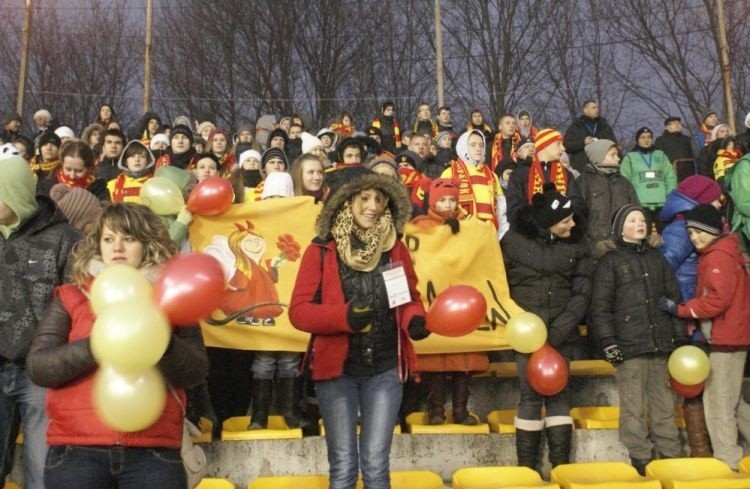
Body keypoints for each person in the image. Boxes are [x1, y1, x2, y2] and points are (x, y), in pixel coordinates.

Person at [26, 203, 209, 489]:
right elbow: (40, 367)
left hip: (153, 452)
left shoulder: (173, 297)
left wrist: (156, 341)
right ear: (97, 245)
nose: (118, 247)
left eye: (129, 238)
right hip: (77, 453)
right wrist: (99, 344)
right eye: (109, 239)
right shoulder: (71, 295)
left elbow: (197, 370)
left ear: (148, 244)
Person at [289, 169, 429, 489]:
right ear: (344, 202)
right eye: (364, 198)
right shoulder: (320, 251)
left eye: (379, 199)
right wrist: (344, 318)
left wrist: (414, 320)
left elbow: (407, 300)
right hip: (337, 374)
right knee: (343, 467)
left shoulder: (394, 248)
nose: (373, 206)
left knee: (377, 466)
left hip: (384, 370)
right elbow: (299, 313)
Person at [0, 153, 80, 489]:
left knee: (42, 474)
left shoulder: (64, 237)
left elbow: (77, 303)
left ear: (15, 192)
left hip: (41, 374)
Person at [589, 204, 684, 475]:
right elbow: (601, 308)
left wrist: (677, 338)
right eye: (632, 220)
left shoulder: (658, 259)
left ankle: (670, 454)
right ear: (620, 227)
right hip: (628, 347)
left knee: (664, 404)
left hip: (661, 343)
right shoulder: (610, 262)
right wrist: (609, 344)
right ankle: (641, 458)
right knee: (633, 406)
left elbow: (674, 299)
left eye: (642, 220)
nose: (639, 224)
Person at [501, 183, 591, 472]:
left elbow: (582, 292)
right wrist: (523, 324)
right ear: (551, 222)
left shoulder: (577, 246)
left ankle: (560, 467)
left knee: (559, 395)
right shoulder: (512, 242)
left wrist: (560, 328)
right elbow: (500, 286)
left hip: (561, 333)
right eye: (566, 220)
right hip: (525, 334)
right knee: (529, 396)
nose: (573, 224)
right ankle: (527, 469)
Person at [658, 204, 750, 470]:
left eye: (699, 232)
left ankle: (728, 461)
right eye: (690, 233)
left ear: (712, 230)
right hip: (733, 336)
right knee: (734, 402)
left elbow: (717, 301)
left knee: (718, 403)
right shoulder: (722, 251)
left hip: (726, 338)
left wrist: (682, 310)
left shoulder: (718, 257)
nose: (694, 238)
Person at [411, 179, 485, 426]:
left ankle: (461, 411)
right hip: (434, 303)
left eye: (452, 200)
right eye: (442, 200)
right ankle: (436, 411)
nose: (448, 204)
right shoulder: (419, 227)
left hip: (461, 304)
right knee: (436, 362)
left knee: (463, 362)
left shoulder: (468, 226)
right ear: (432, 201)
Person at [658, 177, 722, 459]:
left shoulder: (695, 225)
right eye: (717, 198)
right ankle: (700, 451)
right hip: (688, 316)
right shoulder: (682, 230)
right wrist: (682, 308)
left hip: (700, 313)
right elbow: (663, 271)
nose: (722, 203)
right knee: (693, 384)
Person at [506, 128, 586, 225]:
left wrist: (561, 215)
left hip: (562, 234)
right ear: (545, 145)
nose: (563, 148)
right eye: (558, 144)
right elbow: (514, 210)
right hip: (532, 235)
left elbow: (578, 204)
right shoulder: (520, 173)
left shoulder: (567, 174)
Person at [441, 129, 507, 233]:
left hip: (489, 233)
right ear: (464, 147)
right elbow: (442, 204)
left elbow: (501, 207)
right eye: (473, 145)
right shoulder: (450, 173)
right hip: (462, 232)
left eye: (481, 145)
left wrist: (502, 232)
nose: (478, 148)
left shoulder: (492, 176)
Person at [578, 139, 639, 249]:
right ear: (599, 156)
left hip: (623, 247)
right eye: (612, 155)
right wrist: (591, 245)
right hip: (594, 247)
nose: (618, 158)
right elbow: (577, 218)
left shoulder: (624, 183)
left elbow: (636, 211)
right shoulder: (583, 181)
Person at [620, 127, 677, 232]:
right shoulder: (630, 157)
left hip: (662, 203)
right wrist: (629, 199)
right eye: (642, 138)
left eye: (649, 137)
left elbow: (670, 176)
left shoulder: (660, 155)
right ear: (637, 140)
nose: (646, 140)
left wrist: (670, 193)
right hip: (641, 203)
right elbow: (624, 179)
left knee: (666, 234)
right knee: (643, 235)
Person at [38, 140, 110, 201]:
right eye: (68, 169)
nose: (72, 176)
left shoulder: (99, 190)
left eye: (79, 171)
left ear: (89, 168)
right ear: (62, 164)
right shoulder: (46, 187)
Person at [563, 100, 617, 173]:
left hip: (603, 166)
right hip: (582, 168)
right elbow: (566, 145)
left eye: (597, 108)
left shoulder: (604, 126)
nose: (596, 110)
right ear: (585, 110)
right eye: (593, 108)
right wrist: (583, 142)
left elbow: (613, 143)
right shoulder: (576, 126)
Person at [654, 116, 696, 182]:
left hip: (690, 174)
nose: (677, 125)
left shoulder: (687, 139)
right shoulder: (661, 140)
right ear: (667, 127)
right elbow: (658, 159)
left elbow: (695, 154)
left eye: (679, 123)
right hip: (671, 174)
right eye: (674, 123)